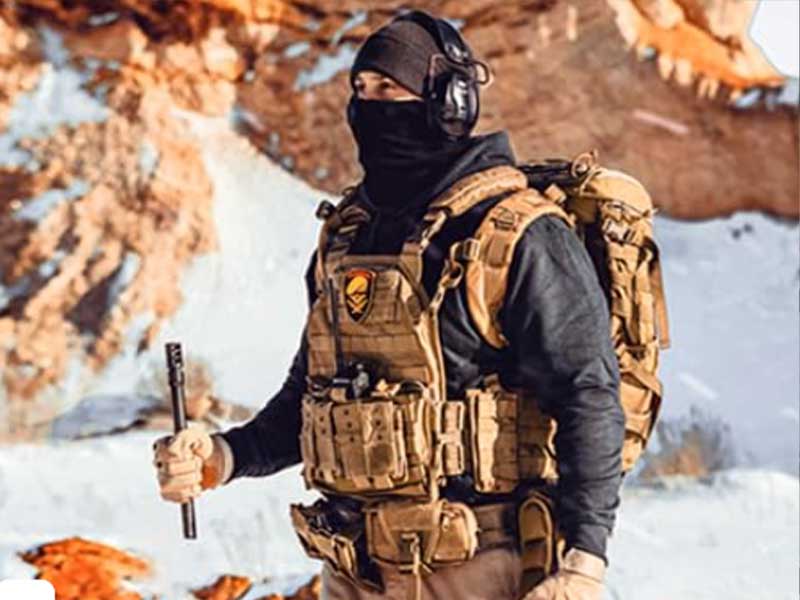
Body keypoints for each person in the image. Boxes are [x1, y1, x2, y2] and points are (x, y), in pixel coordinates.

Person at [153, 10, 625, 600]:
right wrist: (224, 456)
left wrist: (585, 560)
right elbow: (313, 397)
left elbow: (589, 395)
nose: (372, 105)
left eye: (390, 89)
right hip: (354, 570)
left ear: (447, 102)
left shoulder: (516, 234)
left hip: (477, 567)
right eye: (362, 89)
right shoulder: (349, 235)